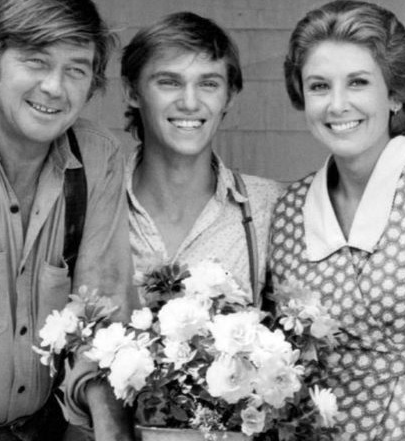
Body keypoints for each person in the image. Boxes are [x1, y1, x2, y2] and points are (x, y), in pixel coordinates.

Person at [0, 0, 135, 440]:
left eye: (76, 70)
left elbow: (103, 307)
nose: (55, 87)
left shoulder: (97, 158)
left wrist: (110, 427)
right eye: (36, 61)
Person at [268, 1, 405, 440]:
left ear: (395, 92)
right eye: (320, 86)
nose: (337, 105)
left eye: (358, 82)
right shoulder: (289, 211)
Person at [120, 11, 284, 306]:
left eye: (208, 84)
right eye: (169, 82)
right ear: (132, 91)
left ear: (229, 96)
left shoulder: (268, 207)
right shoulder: (95, 204)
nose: (190, 103)